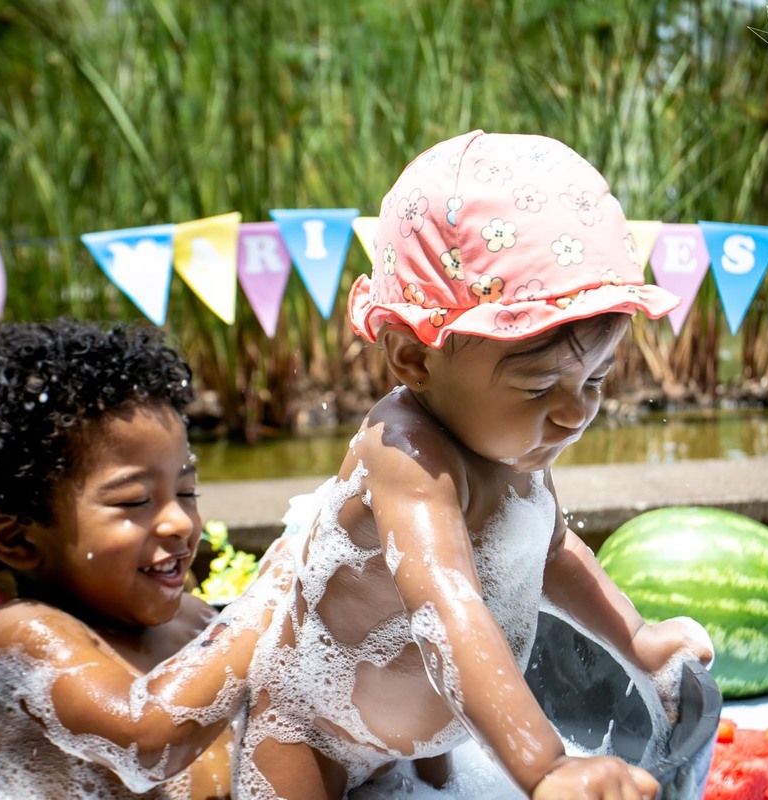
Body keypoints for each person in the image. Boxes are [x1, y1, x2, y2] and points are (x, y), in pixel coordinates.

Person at [234, 130, 714, 800]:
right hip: (315, 732)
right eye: (540, 386)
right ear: (413, 359)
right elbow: (447, 608)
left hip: (429, 743)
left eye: (597, 380)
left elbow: (549, 548)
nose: (576, 413)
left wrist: (638, 638)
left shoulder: (510, 441)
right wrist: (546, 766)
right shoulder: (403, 454)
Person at [0, 319, 294, 799]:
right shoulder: (23, 635)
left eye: (186, 490)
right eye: (134, 501)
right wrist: (270, 599)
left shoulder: (194, 619)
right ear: (17, 539)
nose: (179, 522)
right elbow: (145, 744)